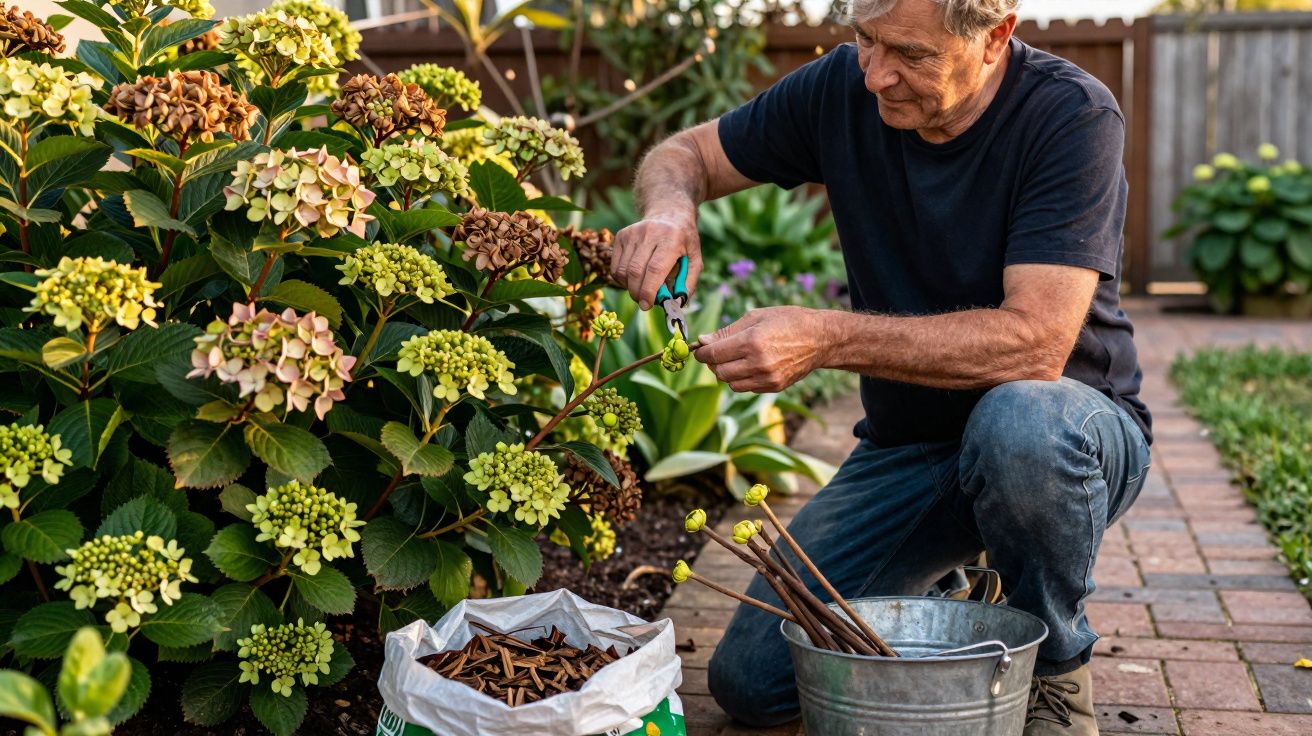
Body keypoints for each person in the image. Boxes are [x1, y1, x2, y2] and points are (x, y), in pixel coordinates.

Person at [610, 0, 1154, 733]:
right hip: (913, 450)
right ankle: (954, 590)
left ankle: (1055, 670)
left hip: (1067, 434)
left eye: (911, 55)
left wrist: (829, 337)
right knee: (754, 682)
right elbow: (686, 155)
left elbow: (1034, 345)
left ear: (996, 37)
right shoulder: (839, 89)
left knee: (1019, 423)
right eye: (863, 40)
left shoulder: (1071, 117)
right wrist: (670, 209)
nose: (875, 75)